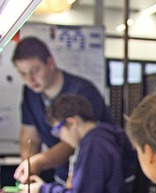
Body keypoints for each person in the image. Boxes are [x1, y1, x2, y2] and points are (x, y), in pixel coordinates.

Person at [12, 36, 114, 184]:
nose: (30, 79)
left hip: (95, 177)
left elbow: (74, 142)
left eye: (34, 71)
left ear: (50, 63)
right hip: (63, 177)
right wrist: (27, 169)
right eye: (23, 74)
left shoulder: (83, 91)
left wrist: (39, 161)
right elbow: (30, 138)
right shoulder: (31, 94)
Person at [21, 94, 136, 193]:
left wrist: (43, 190)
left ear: (71, 122)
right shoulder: (95, 140)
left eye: (58, 130)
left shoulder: (96, 144)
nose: (60, 137)